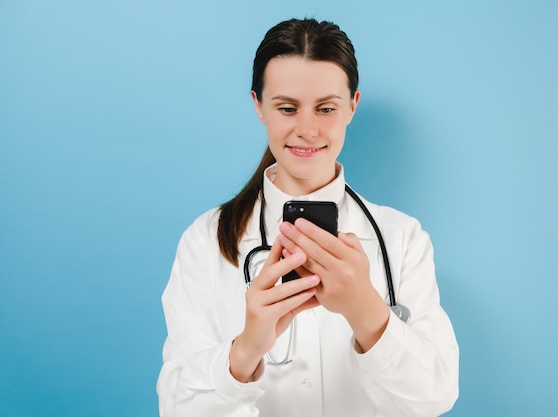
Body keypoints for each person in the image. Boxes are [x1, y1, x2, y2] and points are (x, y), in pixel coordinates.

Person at [157, 18, 459, 417]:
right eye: (286, 108)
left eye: (326, 108)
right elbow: (178, 409)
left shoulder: (401, 238)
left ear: (352, 106)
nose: (307, 129)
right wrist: (246, 348)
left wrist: (366, 311)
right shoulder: (206, 239)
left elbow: (435, 397)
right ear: (257, 106)